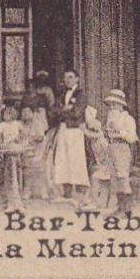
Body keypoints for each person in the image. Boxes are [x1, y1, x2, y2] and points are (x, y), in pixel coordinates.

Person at [52, 69, 89, 200]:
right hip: (63, 129)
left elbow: (76, 113)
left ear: (77, 79)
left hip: (75, 130)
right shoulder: (62, 94)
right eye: (66, 77)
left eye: (71, 77)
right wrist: (64, 109)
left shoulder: (81, 94)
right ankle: (66, 190)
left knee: (76, 159)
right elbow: (53, 111)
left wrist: (65, 110)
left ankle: (79, 191)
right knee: (63, 158)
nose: (68, 80)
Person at [102, 89, 139, 215]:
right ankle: (120, 206)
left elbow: (132, 138)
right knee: (114, 179)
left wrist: (119, 131)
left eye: (114, 104)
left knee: (123, 177)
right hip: (112, 148)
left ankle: (128, 209)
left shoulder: (128, 119)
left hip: (123, 148)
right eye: (110, 104)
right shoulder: (111, 118)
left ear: (121, 105)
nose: (112, 107)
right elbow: (108, 133)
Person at [21, 95, 52, 200]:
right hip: (25, 151)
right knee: (22, 162)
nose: (25, 115)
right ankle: (26, 189)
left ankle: (41, 190)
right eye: (23, 112)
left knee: (34, 165)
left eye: (27, 112)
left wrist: (30, 138)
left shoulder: (38, 124)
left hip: (38, 151)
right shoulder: (21, 125)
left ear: (33, 113)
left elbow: (41, 137)